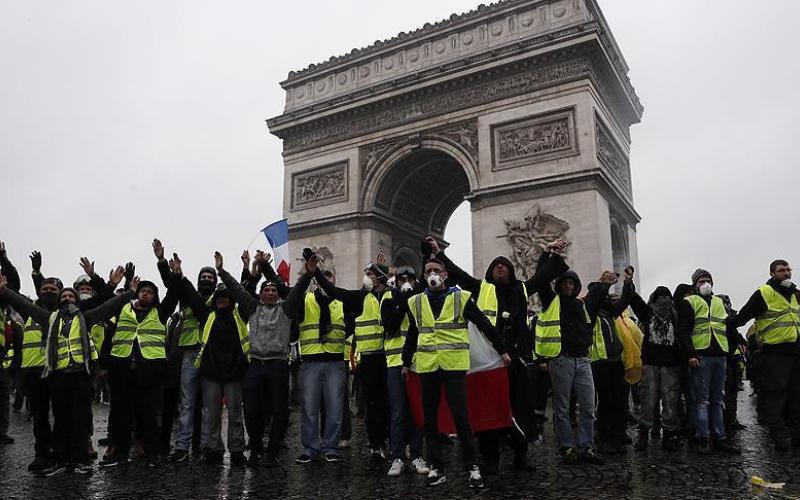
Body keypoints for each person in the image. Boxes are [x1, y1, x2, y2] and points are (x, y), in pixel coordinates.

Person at [426, 236, 565, 472]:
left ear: (511, 271)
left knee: (519, 410)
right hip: (489, 359)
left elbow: (543, 277)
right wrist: (438, 255)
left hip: (516, 360)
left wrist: (548, 253)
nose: (500, 266)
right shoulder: (480, 288)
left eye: (504, 264)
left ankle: (521, 456)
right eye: (496, 265)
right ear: (491, 272)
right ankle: (490, 459)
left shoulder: (522, 288)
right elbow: (457, 274)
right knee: (489, 410)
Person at [0, 272, 135, 476]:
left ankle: (80, 459)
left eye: (71, 297)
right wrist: (4, 290)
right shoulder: (49, 318)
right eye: (64, 297)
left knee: (80, 420)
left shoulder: (86, 317)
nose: (67, 299)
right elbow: (25, 306)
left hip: (81, 377)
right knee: (62, 420)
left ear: (77, 301)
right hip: (58, 377)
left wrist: (128, 293)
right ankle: (61, 459)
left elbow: (109, 307)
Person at [401, 258, 510, 489]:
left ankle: (472, 466)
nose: (432, 273)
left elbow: (483, 324)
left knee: (461, 418)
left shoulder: (461, 298)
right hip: (428, 366)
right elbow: (413, 333)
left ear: (445, 274)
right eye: (428, 270)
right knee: (429, 421)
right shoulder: (416, 301)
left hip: (454, 367)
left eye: (436, 270)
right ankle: (437, 467)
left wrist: (501, 349)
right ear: (423, 276)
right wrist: (405, 361)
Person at [213, 250, 308, 467]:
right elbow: (236, 290)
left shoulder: (286, 309)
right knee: (252, 410)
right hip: (255, 365)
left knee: (280, 411)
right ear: (261, 294)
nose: (272, 292)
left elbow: (298, 290)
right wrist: (221, 271)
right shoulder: (252, 306)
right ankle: (255, 448)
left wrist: (308, 275)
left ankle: (272, 451)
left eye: (275, 290)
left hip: (278, 365)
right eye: (267, 290)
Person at [531, 247, 617, 465]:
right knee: (561, 408)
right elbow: (540, 279)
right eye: (564, 283)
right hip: (561, 359)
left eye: (572, 283)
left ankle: (586, 447)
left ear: (577, 286)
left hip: (583, 360)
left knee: (588, 407)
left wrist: (606, 282)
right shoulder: (551, 301)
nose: (568, 286)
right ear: (559, 286)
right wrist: (545, 254)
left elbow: (597, 296)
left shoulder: (583, 304)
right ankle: (567, 448)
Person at [99, 253, 181, 468]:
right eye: (142, 290)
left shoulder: (161, 313)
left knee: (148, 416)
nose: (146, 294)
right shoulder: (123, 308)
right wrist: (104, 365)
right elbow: (109, 334)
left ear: (155, 297)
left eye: (150, 292)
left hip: (149, 373)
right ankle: (121, 453)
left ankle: (152, 454)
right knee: (121, 415)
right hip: (122, 370)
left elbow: (174, 293)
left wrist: (170, 269)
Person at [313, 254, 391, 470]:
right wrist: (315, 271)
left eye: (372, 274)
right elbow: (332, 290)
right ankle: (376, 446)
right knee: (372, 407)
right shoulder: (358, 297)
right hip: (369, 360)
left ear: (382, 278)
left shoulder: (392, 296)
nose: (367, 277)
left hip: (391, 359)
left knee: (390, 404)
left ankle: (395, 445)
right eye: (367, 274)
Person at [732, 259, 800, 451]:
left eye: (788, 269)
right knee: (776, 397)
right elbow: (742, 317)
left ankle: (796, 437)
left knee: (796, 398)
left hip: (796, 353)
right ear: (772, 273)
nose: (786, 273)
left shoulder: (796, 294)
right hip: (774, 354)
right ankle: (779, 439)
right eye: (781, 270)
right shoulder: (763, 293)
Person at [677, 269, 741, 454]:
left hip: (720, 355)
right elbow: (684, 331)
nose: (705, 283)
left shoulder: (719, 302)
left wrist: (735, 347)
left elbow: (727, 327)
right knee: (702, 400)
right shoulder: (689, 302)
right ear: (695, 284)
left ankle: (720, 437)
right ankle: (703, 437)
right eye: (701, 280)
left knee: (717, 399)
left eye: (708, 280)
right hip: (701, 356)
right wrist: (691, 354)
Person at [293, 261, 349, 465]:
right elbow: (288, 294)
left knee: (335, 408)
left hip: (335, 362)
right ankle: (310, 447)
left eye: (329, 281)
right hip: (310, 362)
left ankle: (330, 447)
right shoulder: (304, 300)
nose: (324, 285)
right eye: (321, 281)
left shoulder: (343, 302)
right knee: (309, 407)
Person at [379, 265, 430, 477]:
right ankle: (397, 457)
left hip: (417, 361)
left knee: (416, 411)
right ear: (396, 281)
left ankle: (417, 455)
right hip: (394, 362)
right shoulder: (388, 299)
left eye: (410, 278)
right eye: (402, 279)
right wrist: (403, 300)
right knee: (398, 411)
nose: (406, 281)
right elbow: (391, 326)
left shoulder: (420, 298)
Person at [628, 284, 683, 452]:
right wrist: (628, 283)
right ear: (654, 300)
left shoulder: (676, 316)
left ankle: (668, 436)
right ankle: (644, 434)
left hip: (670, 365)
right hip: (651, 363)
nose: (664, 302)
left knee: (670, 401)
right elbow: (634, 300)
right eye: (661, 299)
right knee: (648, 400)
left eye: (667, 299)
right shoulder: (647, 314)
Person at [588, 266, 635, 455]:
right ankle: (604, 437)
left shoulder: (609, 313)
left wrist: (628, 282)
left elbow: (625, 300)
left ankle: (618, 434)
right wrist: (603, 284)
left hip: (615, 361)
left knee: (619, 401)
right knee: (605, 401)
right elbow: (594, 300)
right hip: (599, 363)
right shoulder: (589, 314)